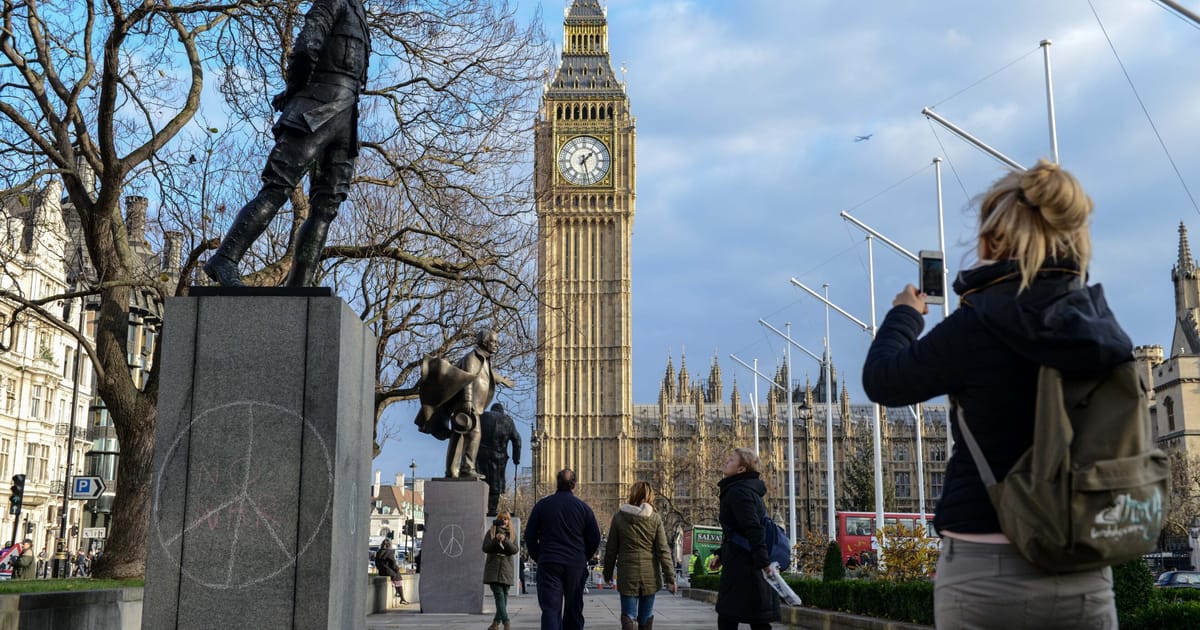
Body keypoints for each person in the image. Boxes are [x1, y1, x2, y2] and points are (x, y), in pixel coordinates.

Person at [861, 159, 1123, 629]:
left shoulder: (977, 324)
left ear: (988, 241)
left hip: (986, 565)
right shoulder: (1099, 324)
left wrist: (905, 314)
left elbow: (883, 380)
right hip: (1082, 565)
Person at [203, 0, 370, 288]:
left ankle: (300, 286)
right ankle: (225, 258)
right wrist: (294, 92)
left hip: (347, 116)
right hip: (314, 108)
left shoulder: (360, 12)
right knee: (278, 187)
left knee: (327, 205)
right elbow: (307, 46)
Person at [413, 329, 513, 479]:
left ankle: (452, 471)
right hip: (467, 404)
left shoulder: (483, 360)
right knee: (475, 434)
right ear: (484, 342)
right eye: (493, 341)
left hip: (473, 405)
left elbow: (490, 375)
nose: (496, 345)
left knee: (458, 436)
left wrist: (503, 380)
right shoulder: (472, 358)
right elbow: (468, 378)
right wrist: (467, 400)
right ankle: (467, 468)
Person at [524, 468, 601, 630]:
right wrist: (583, 557)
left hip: (550, 562)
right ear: (574, 484)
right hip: (575, 564)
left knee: (551, 609)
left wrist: (540, 556)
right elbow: (595, 537)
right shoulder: (583, 508)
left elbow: (529, 535)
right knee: (573, 609)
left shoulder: (543, 505)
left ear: (557, 483)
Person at [715, 448, 780, 630]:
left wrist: (763, 563)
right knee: (756, 619)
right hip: (744, 562)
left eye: (731, 459)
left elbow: (753, 528)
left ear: (741, 469)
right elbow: (737, 530)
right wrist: (721, 554)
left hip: (745, 566)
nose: (726, 461)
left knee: (730, 617)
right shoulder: (745, 489)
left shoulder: (739, 492)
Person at [602, 481, 676, 630]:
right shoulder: (654, 518)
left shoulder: (619, 518)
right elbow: (663, 550)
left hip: (627, 574)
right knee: (646, 617)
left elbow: (611, 550)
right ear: (649, 496)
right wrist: (670, 578)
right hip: (650, 576)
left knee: (628, 616)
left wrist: (607, 574)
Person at [478, 403, 522, 516]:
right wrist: (516, 458)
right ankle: (491, 510)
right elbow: (517, 440)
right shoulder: (507, 420)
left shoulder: (481, 417)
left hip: (481, 454)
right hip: (498, 456)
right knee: (495, 483)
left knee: (481, 480)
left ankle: (479, 507)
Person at [482, 512, 519, 630]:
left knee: (504, 596)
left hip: (506, 568)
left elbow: (515, 550)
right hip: (493, 567)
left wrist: (505, 540)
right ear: (497, 520)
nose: (504, 521)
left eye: (506, 519)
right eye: (501, 519)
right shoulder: (491, 532)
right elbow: (485, 548)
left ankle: (495, 624)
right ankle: (506, 621)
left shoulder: (512, 534)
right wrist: (495, 539)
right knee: (499, 595)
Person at [374, 538, 407, 604]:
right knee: (397, 575)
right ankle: (402, 597)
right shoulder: (389, 553)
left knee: (396, 576)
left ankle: (398, 593)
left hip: (382, 571)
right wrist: (397, 568)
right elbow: (393, 564)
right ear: (389, 545)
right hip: (389, 572)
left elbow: (377, 564)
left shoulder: (378, 552)